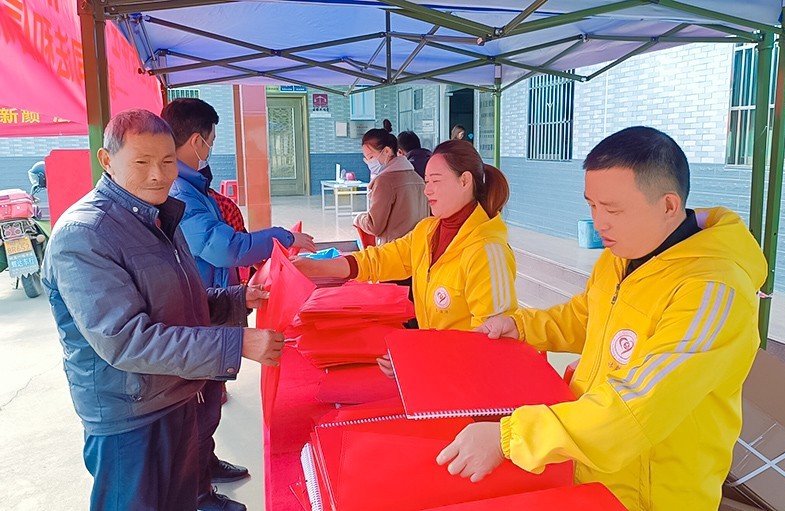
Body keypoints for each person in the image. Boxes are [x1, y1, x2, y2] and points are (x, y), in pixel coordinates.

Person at [436, 126, 768, 510]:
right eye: (592, 205)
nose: (599, 222)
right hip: (592, 471)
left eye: (612, 209)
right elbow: (588, 314)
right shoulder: (623, 254)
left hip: (651, 493)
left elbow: (637, 407)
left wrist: (509, 438)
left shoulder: (713, 291)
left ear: (668, 206)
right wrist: (522, 326)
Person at [40, 109, 285, 511]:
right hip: (130, 416)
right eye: (142, 162)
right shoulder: (84, 235)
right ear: (107, 161)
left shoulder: (158, 216)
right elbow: (127, 340)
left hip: (176, 394)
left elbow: (177, 304)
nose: (158, 174)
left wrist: (237, 299)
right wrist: (237, 343)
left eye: (168, 161)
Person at [161, 98, 314, 511]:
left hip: (210, 303)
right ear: (197, 140)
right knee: (198, 406)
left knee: (210, 400)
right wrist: (282, 236)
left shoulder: (193, 187)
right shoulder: (180, 192)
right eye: (211, 140)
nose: (211, 148)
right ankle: (198, 495)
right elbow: (223, 246)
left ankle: (206, 466)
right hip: (196, 315)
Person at [296, 140, 517, 377]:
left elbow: (489, 343)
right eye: (426, 181)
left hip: (466, 380)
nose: (427, 190)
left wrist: (420, 361)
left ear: (464, 181)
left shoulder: (487, 251)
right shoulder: (427, 231)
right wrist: (315, 267)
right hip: (437, 371)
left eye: (436, 181)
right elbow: (379, 260)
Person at [355, 128, 428, 245]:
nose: (369, 163)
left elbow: (374, 226)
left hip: (394, 250)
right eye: (367, 159)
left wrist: (359, 219)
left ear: (387, 151)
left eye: (371, 157)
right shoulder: (417, 178)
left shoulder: (384, 182)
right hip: (418, 248)